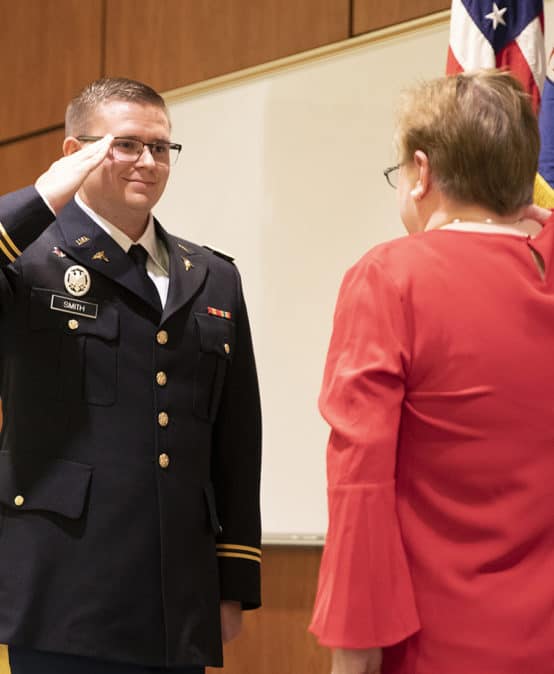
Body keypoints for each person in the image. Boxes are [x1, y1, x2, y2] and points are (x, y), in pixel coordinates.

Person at [0, 77, 262, 674]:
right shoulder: (31, 261)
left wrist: (234, 579)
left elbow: (237, 437)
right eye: (125, 144)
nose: (148, 161)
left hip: (179, 595)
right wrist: (41, 199)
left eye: (161, 147)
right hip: (63, 588)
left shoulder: (213, 276)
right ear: (75, 153)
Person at [309, 69, 554, 674]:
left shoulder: (391, 278)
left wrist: (351, 659)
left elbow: (360, 487)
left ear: (422, 173)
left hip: (439, 647)